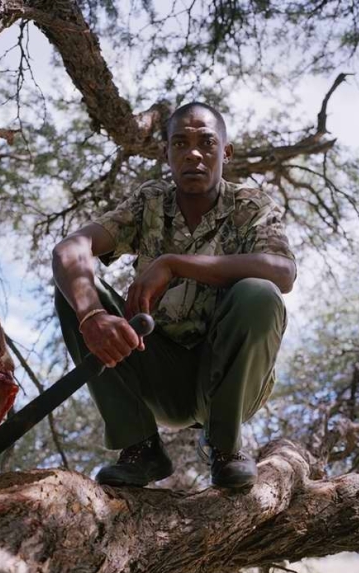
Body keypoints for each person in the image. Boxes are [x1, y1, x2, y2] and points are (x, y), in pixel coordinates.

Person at [52, 102, 296, 489]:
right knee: (76, 292)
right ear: (167, 153)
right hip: (157, 372)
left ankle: (225, 447)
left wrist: (174, 264)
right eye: (180, 143)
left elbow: (282, 272)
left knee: (260, 294)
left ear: (226, 153)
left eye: (206, 143)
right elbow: (70, 249)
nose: (193, 153)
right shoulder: (150, 203)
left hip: (229, 380)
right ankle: (140, 448)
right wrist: (92, 316)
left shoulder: (250, 206)